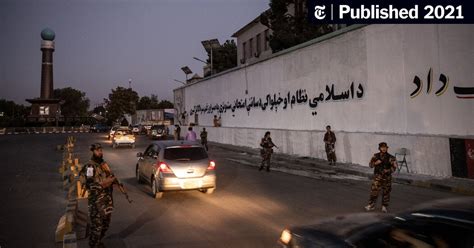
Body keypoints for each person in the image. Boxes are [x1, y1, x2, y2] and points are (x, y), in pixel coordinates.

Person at [80, 143, 115, 248]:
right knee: (97, 227)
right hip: (96, 203)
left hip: (106, 201)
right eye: (97, 150)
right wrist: (104, 184)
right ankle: (93, 245)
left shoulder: (103, 164)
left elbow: (110, 176)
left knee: (105, 225)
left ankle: (98, 242)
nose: (100, 152)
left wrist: (112, 181)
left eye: (101, 150)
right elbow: (88, 185)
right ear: (93, 151)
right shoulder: (90, 166)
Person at [365, 142, 398, 213]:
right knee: (374, 192)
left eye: (385, 147)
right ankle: (371, 205)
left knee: (386, 192)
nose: (384, 149)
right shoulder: (375, 156)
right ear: (379, 148)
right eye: (382, 147)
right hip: (378, 177)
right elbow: (370, 165)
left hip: (387, 178)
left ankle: (384, 206)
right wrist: (375, 163)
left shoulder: (391, 157)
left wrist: (388, 170)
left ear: (387, 148)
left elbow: (394, 167)